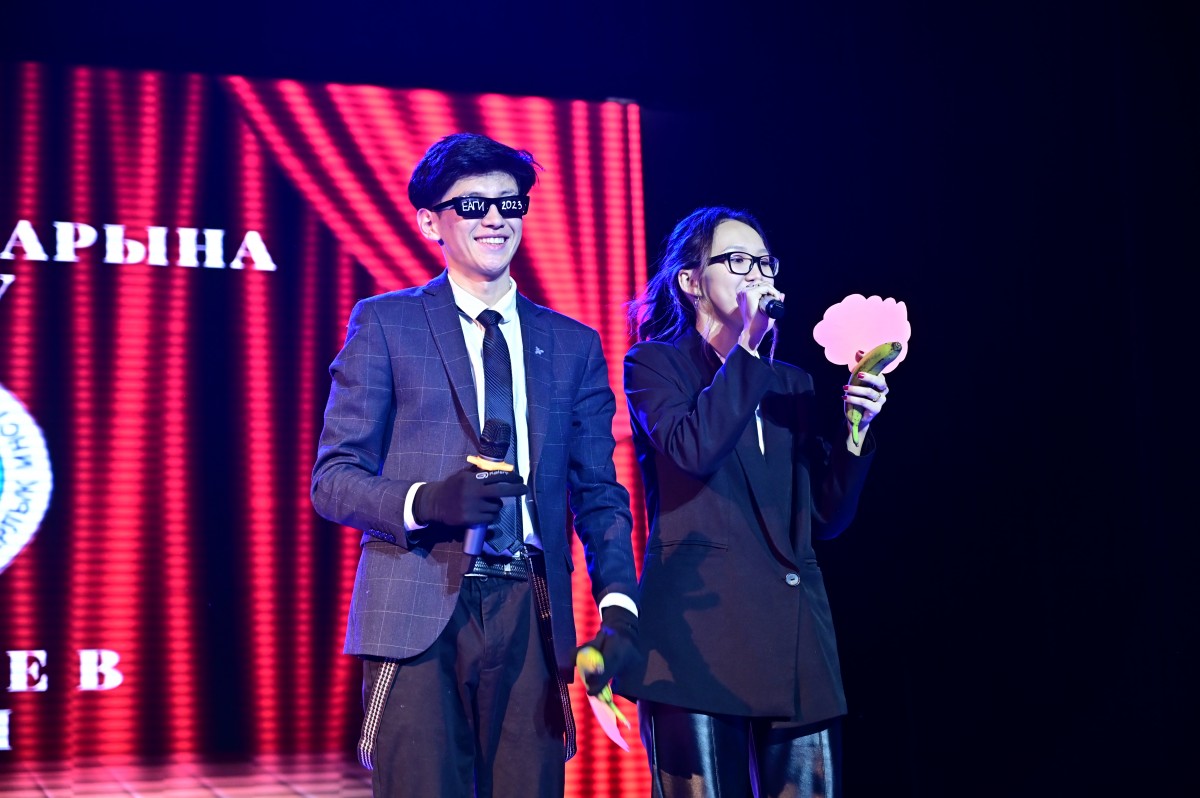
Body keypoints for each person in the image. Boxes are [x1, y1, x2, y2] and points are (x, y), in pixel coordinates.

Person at [310, 132, 640, 798]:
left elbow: (599, 493)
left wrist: (619, 604)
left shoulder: (571, 344)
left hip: (532, 611)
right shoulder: (385, 324)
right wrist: (428, 501)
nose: (495, 218)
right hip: (416, 606)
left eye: (509, 203)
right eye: (472, 205)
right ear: (430, 222)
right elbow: (333, 481)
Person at [615, 206, 892, 798]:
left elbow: (824, 519)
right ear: (691, 281)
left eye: (764, 263)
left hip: (793, 638)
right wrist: (746, 345)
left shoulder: (790, 382)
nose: (757, 274)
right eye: (737, 261)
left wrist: (856, 428)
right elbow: (693, 449)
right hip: (694, 639)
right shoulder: (655, 365)